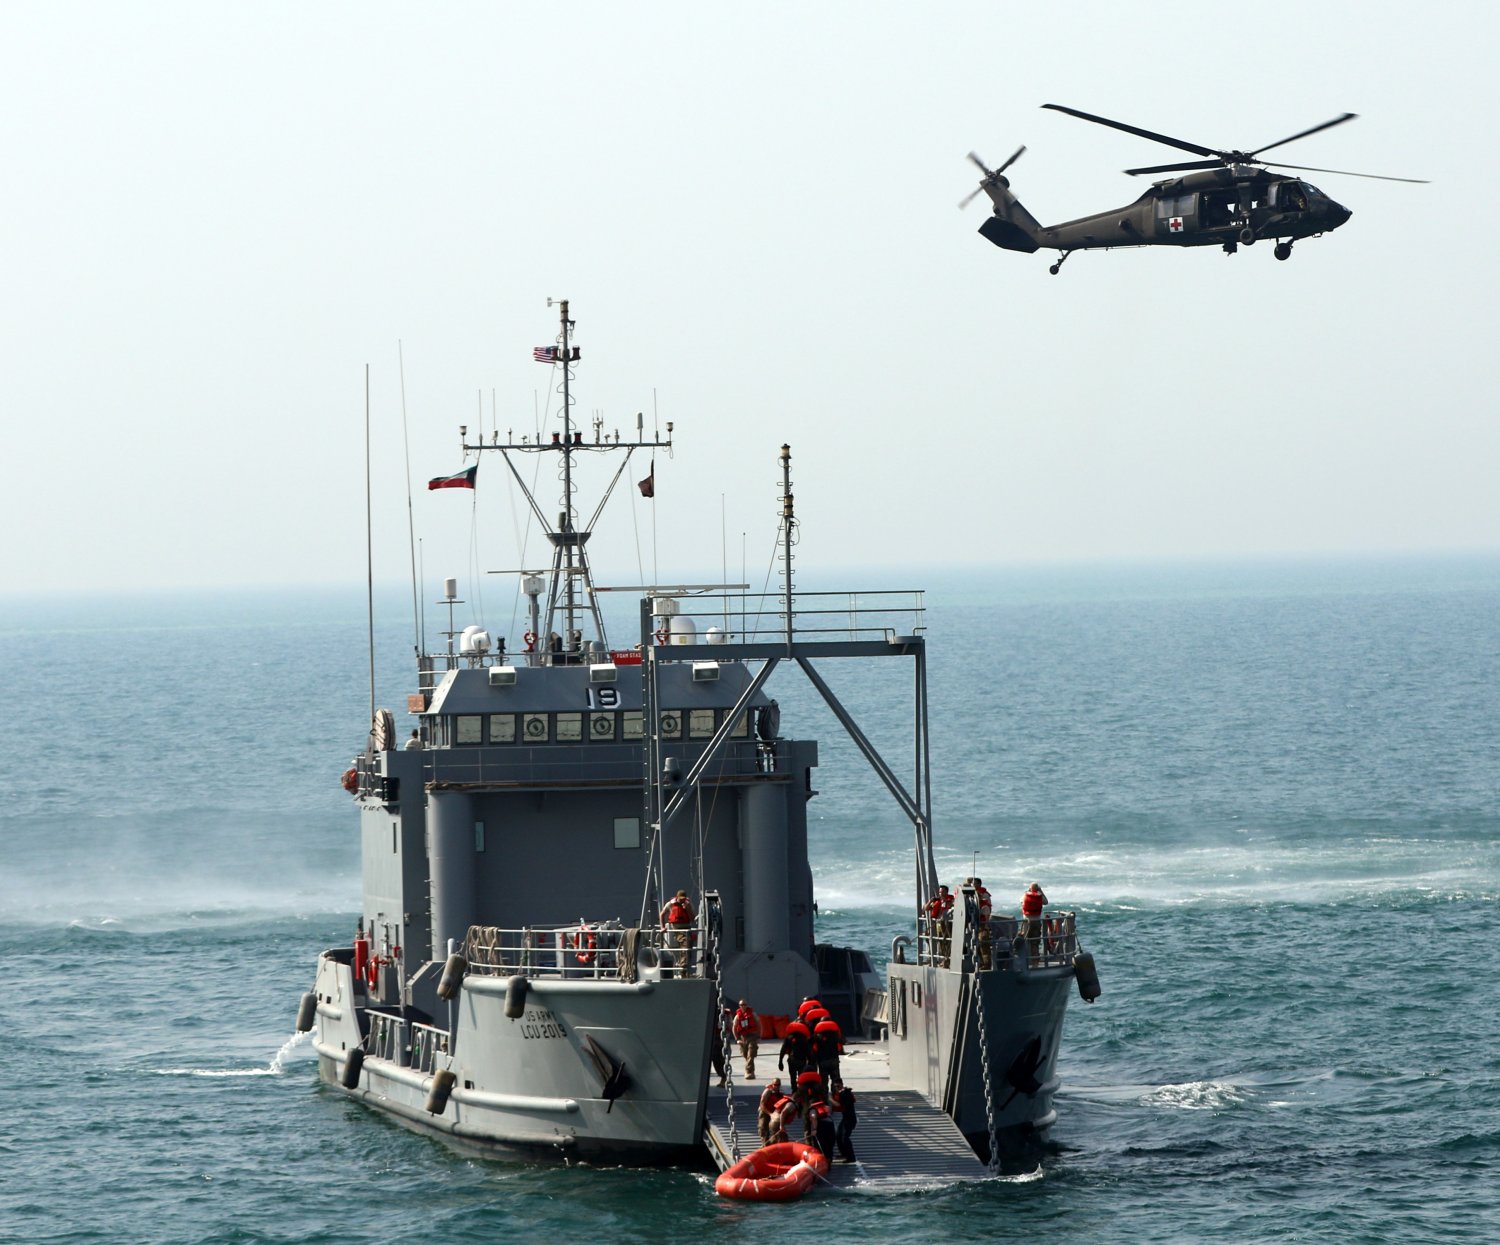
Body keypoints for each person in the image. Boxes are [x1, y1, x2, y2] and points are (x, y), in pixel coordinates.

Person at [659, 889, 697, 973]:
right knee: (685, 943)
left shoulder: (688, 904)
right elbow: (662, 914)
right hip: (677, 929)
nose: (682, 900)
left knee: (688, 946)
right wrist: (662, 927)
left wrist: (687, 909)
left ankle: (684, 966)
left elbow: (692, 919)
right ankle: (683, 967)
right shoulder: (670, 904)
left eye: (684, 899)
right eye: (680, 899)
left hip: (687, 928)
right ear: (677, 897)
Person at [777, 1016, 813, 1084]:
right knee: (801, 1078)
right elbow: (809, 1052)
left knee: (792, 1078)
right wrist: (811, 1062)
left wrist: (780, 1061)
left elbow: (783, 1050)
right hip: (801, 1061)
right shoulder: (805, 1039)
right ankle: (800, 1089)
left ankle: (794, 1089)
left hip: (792, 1060)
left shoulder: (789, 1037)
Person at [925, 884, 953, 964]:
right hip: (938, 924)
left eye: (943, 892)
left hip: (947, 924)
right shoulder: (937, 901)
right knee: (941, 941)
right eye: (940, 892)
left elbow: (952, 906)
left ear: (947, 892)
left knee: (947, 941)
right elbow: (926, 908)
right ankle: (943, 959)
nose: (941, 894)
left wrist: (946, 902)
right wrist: (931, 901)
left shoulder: (950, 900)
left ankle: (947, 959)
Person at [732, 999, 759, 1079]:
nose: (743, 1006)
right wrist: (737, 1039)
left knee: (751, 1054)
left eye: (744, 1004)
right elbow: (734, 1028)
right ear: (739, 1006)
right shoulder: (737, 1016)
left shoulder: (753, 1014)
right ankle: (752, 1071)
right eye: (741, 1005)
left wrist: (759, 1036)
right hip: (743, 1037)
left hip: (752, 1036)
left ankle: (748, 1072)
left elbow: (759, 1024)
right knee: (745, 1055)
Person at [1021, 881, 1048, 959]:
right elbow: (1046, 902)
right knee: (1035, 940)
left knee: (1026, 939)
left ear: (1030, 888)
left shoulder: (1025, 895)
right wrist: (1041, 891)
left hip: (1027, 921)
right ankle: (1035, 958)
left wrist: (1028, 890)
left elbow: (1021, 901)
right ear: (1038, 889)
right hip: (1036, 921)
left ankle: (1027, 958)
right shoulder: (1040, 896)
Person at [832, 1080, 857, 1162]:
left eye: (838, 1086)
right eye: (835, 1087)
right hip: (846, 1118)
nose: (837, 1088)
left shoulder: (844, 1094)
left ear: (842, 1085)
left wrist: (829, 1099)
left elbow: (839, 1105)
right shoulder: (845, 1092)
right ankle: (844, 1154)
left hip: (849, 1119)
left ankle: (851, 1157)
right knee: (839, 1136)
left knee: (844, 1138)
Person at [757, 1077, 782, 1144]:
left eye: (778, 1085)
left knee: (776, 1128)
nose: (777, 1086)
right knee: (763, 1127)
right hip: (765, 1111)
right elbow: (762, 1104)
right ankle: (765, 1142)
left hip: (774, 1112)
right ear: (772, 1084)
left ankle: (773, 1142)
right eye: (775, 1085)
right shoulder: (767, 1092)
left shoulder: (780, 1094)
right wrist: (770, 1114)